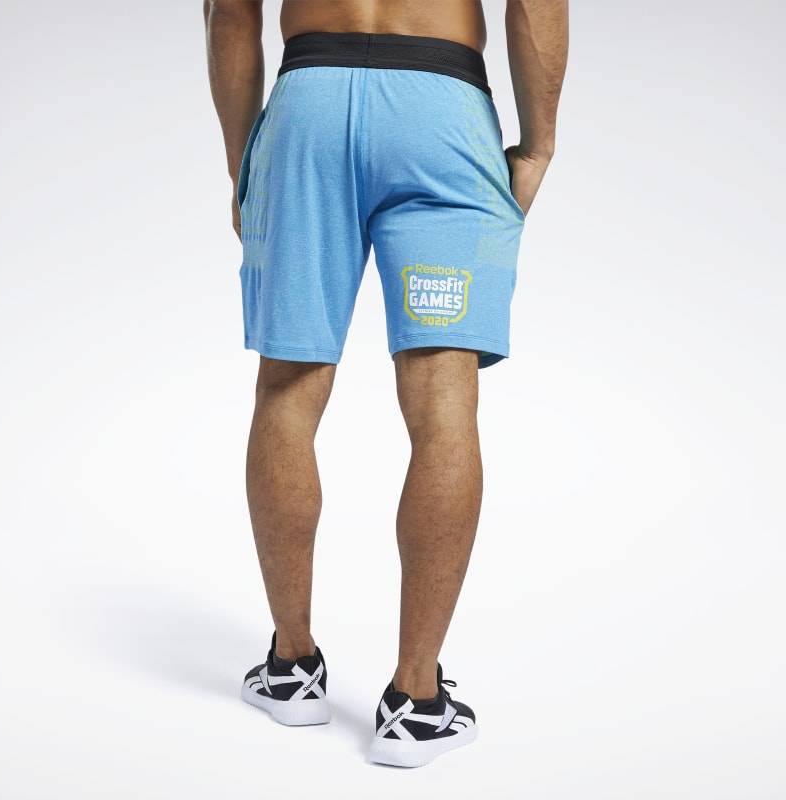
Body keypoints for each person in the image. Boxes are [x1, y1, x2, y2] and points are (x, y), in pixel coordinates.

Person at [205, 0, 568, 767]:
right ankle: (416, 701)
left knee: (287, 392)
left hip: (309, 106)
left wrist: (244, 160)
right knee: (444, 409)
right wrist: (538, 145)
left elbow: (229, 10)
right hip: (442, 111)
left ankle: (291, 668)